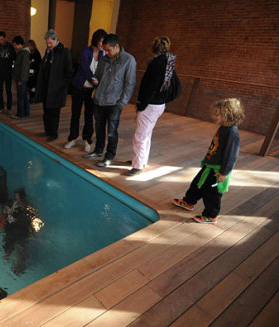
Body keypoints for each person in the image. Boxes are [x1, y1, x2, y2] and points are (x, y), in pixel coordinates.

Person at [173, 98, 244, 224]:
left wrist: (224, 172)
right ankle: (189, 201)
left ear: (229, 115)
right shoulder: (223, 128)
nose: (213, 116)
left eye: (218, 114)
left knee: (212, 193)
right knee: (197, 184)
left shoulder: (231, 133)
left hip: (218, 171)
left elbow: (231, 155)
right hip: (210, 166)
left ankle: (211, 215)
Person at [124, 37, 177, 176]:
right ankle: (140, 160)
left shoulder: (157, 64)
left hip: (151, 105)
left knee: (140, 136)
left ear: (153, 47)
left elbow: (150, 87)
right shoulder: (169, 62)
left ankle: (137, 166)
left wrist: (141, 105)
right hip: (159, 105)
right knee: (146, 134)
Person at [84, 34, 136, 167]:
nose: (105, 53)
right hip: (99, 100)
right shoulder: (104, 59)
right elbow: (98, 76)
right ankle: (98, 151)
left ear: (116, 46)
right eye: (104, 50)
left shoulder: (129, 60)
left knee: (112, 132)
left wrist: (122, 103)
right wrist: (95, 80)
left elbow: (129, 84)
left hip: (114, 103)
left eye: (108, 50)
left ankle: (109, 156)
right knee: (99, 128)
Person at [65, 29, 107, 152]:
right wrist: (93, 79)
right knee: (75, 114)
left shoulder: (103, 53)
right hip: (79, 88)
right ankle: (72, 139)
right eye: (101, 42)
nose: (102, 45)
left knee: (89, 115)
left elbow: (102, 70)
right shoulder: (85, 52)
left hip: (91, 91)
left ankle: (87, 140)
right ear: (96, 40)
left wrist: (97, 81)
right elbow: (84, 69)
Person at [35, 29, 73, 142]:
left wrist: (61, 86)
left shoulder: (64, 53)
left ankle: (53, 133)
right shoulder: (47, 52)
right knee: (46, 112)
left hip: (57, 90)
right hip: (46, 88)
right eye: (47, 43)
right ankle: (47, 131)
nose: (48, 45)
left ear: (56, 39)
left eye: (50, 43)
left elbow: (69, 72)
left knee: (54, 114)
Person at [0, 31, 15, 114]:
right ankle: (1, 108)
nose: (0, 41)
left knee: (8, 90)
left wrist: (12, 70)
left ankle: (9, 108)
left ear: (5, 38)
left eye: (1, 39)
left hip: (8, 72)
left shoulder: (10, 47)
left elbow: (14, 59)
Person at [11, 36, 31, 119]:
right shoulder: (21, 52)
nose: (14, 46)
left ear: (20, 44)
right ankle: (26, 112)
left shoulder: (24, 53)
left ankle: (20, 114)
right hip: (20, 78)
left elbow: (24, 68)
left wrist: (21, 80)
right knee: (24, 96)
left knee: (21, 97)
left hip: (21, 79)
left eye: (15, 45)